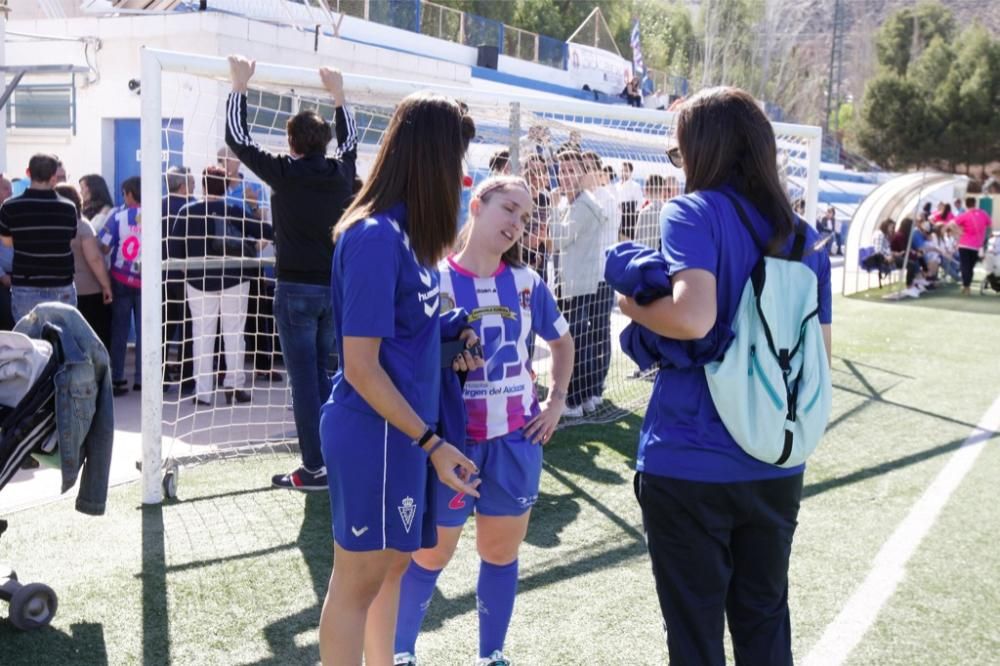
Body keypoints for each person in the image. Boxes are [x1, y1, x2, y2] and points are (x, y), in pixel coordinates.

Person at [619, 87, 831, 666]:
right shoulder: (804, 236)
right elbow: (820, 356)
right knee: (764, 627)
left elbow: (692, 317)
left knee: (695, 639)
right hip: (775, 456)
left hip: (689, 456)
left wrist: (633, 309)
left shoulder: (693, 211)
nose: (678, 163)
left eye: (677, 151)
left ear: (703, 150)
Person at [318, 90, 481, 666]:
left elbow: (410, 336)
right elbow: (360, 367)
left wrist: (457, 339)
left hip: (407, 434)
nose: (463, 174)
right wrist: (434, 443)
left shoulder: (413, 242)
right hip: (374, 433)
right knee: (357, 582)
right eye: (458, 158)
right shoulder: (373, 238)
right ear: (432, 159)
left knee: (391, 569)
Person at [392, 176, 574, 666]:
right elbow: (406, 357)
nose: (516, 223)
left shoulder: (528, 283)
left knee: (499, 554)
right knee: (431, 555)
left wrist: (556, 402)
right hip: (452, 443)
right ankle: (401, 652)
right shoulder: (435, 278)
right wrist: (444, 362)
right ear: (477, 205)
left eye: (524, 217)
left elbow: (562, 342)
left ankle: (491, 655)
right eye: (508, 209)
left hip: (515, 440)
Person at [225, 54, 358, 491]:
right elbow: (352, 143)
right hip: (332, 291)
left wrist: (240, 87)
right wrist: (339, 97)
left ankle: (316, 467)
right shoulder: (341, 174)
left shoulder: (283, 173)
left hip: (296, 291)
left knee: (305, 383)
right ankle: (335, 458)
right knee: (326, 377)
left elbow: (237, 139)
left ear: (293, 144)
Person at [168, 167, 271, 405]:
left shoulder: (187, 212)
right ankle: (234, 386)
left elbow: (174, 252)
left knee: (201, 334)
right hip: (234, 278)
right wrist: (254, 207)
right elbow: (266, 231)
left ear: (203, 185)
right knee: (234, 333)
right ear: (227, 186)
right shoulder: (234, 210)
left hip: (198, 280)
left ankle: (203, 391)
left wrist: (189, 273)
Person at [551, 150, 604, 418]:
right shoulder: (573, 202)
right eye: (562, 170)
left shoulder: (584, 205)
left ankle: (575, 400)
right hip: (570, 281)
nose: (565, 175)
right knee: (579, 340)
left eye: (571, 170)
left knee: (575, 341)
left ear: (583, 174)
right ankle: (585, 396)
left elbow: (559, 239)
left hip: (577, 283)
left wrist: (550, 206)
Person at [0, 154, 78, 321]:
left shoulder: (10, 207)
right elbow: (69, 241)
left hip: (25, 284)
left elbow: (6, 242)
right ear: (54, 177)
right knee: (62, 339)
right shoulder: (69, 207)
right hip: (61, 283)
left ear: (28, 172)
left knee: (30, 340)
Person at [99, 176, 143, 396]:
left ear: (129, 194)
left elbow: (104, 247)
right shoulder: (155, 215)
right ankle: (142, 379)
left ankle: (117, 378)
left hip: (120, 277)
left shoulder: (117, 215)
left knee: (120, 330)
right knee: (146, 330)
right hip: (146, 280)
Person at [57, 184, 114, 351]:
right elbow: (95, 258)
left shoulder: (49, 226)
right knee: (96, 337)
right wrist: (106, 286)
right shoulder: (81, 225)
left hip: (60, 289)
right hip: (88, 291)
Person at [162, 165, 197, 392]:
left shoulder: (156, 206)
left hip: (162, 276)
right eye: (192, 185)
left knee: (164, 328)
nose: (194, 189)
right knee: (188, 328)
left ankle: (161, 378)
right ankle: (187, 379)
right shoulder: (192, 208)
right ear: (183, 185)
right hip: (186, 275)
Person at [953, 196, 993, 295]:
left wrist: (958, 232)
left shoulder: (964, 215)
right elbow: (990, 225)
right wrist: (987, 235)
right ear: (975, 203)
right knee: (970, 267)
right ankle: (967, 285)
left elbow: (952, 224)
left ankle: (966, 286)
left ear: (966, 205)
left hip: (964, 244)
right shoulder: (983, 214)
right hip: (977, 246)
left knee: (965, 266)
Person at [633, 173, 668, 251]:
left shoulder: (645, 212)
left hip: (647, 258)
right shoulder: (668, 212)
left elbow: (638, 242)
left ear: (647, 189)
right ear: (663, 190)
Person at [0, 174, 14, 329]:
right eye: (5, 189)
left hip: (14, 279)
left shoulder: (10, 213)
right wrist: (2, 275)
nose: (10, 193)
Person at [617, 161, 643, 240]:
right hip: (616, 221)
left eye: (626, 170)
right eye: (621, 170)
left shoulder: (635, 186)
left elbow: (639, 205)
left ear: (630, 172)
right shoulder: (616, 186)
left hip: (627, 223)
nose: (623, 173)